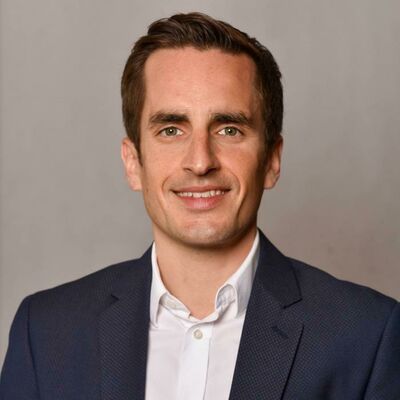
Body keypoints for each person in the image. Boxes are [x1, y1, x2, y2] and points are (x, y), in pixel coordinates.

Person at [1, 12, 399, 400]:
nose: (200, 161)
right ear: (133, 162)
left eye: (229, 129)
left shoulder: (367, 335)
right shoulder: (46, 333)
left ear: (271, 161)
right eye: (171, 129)